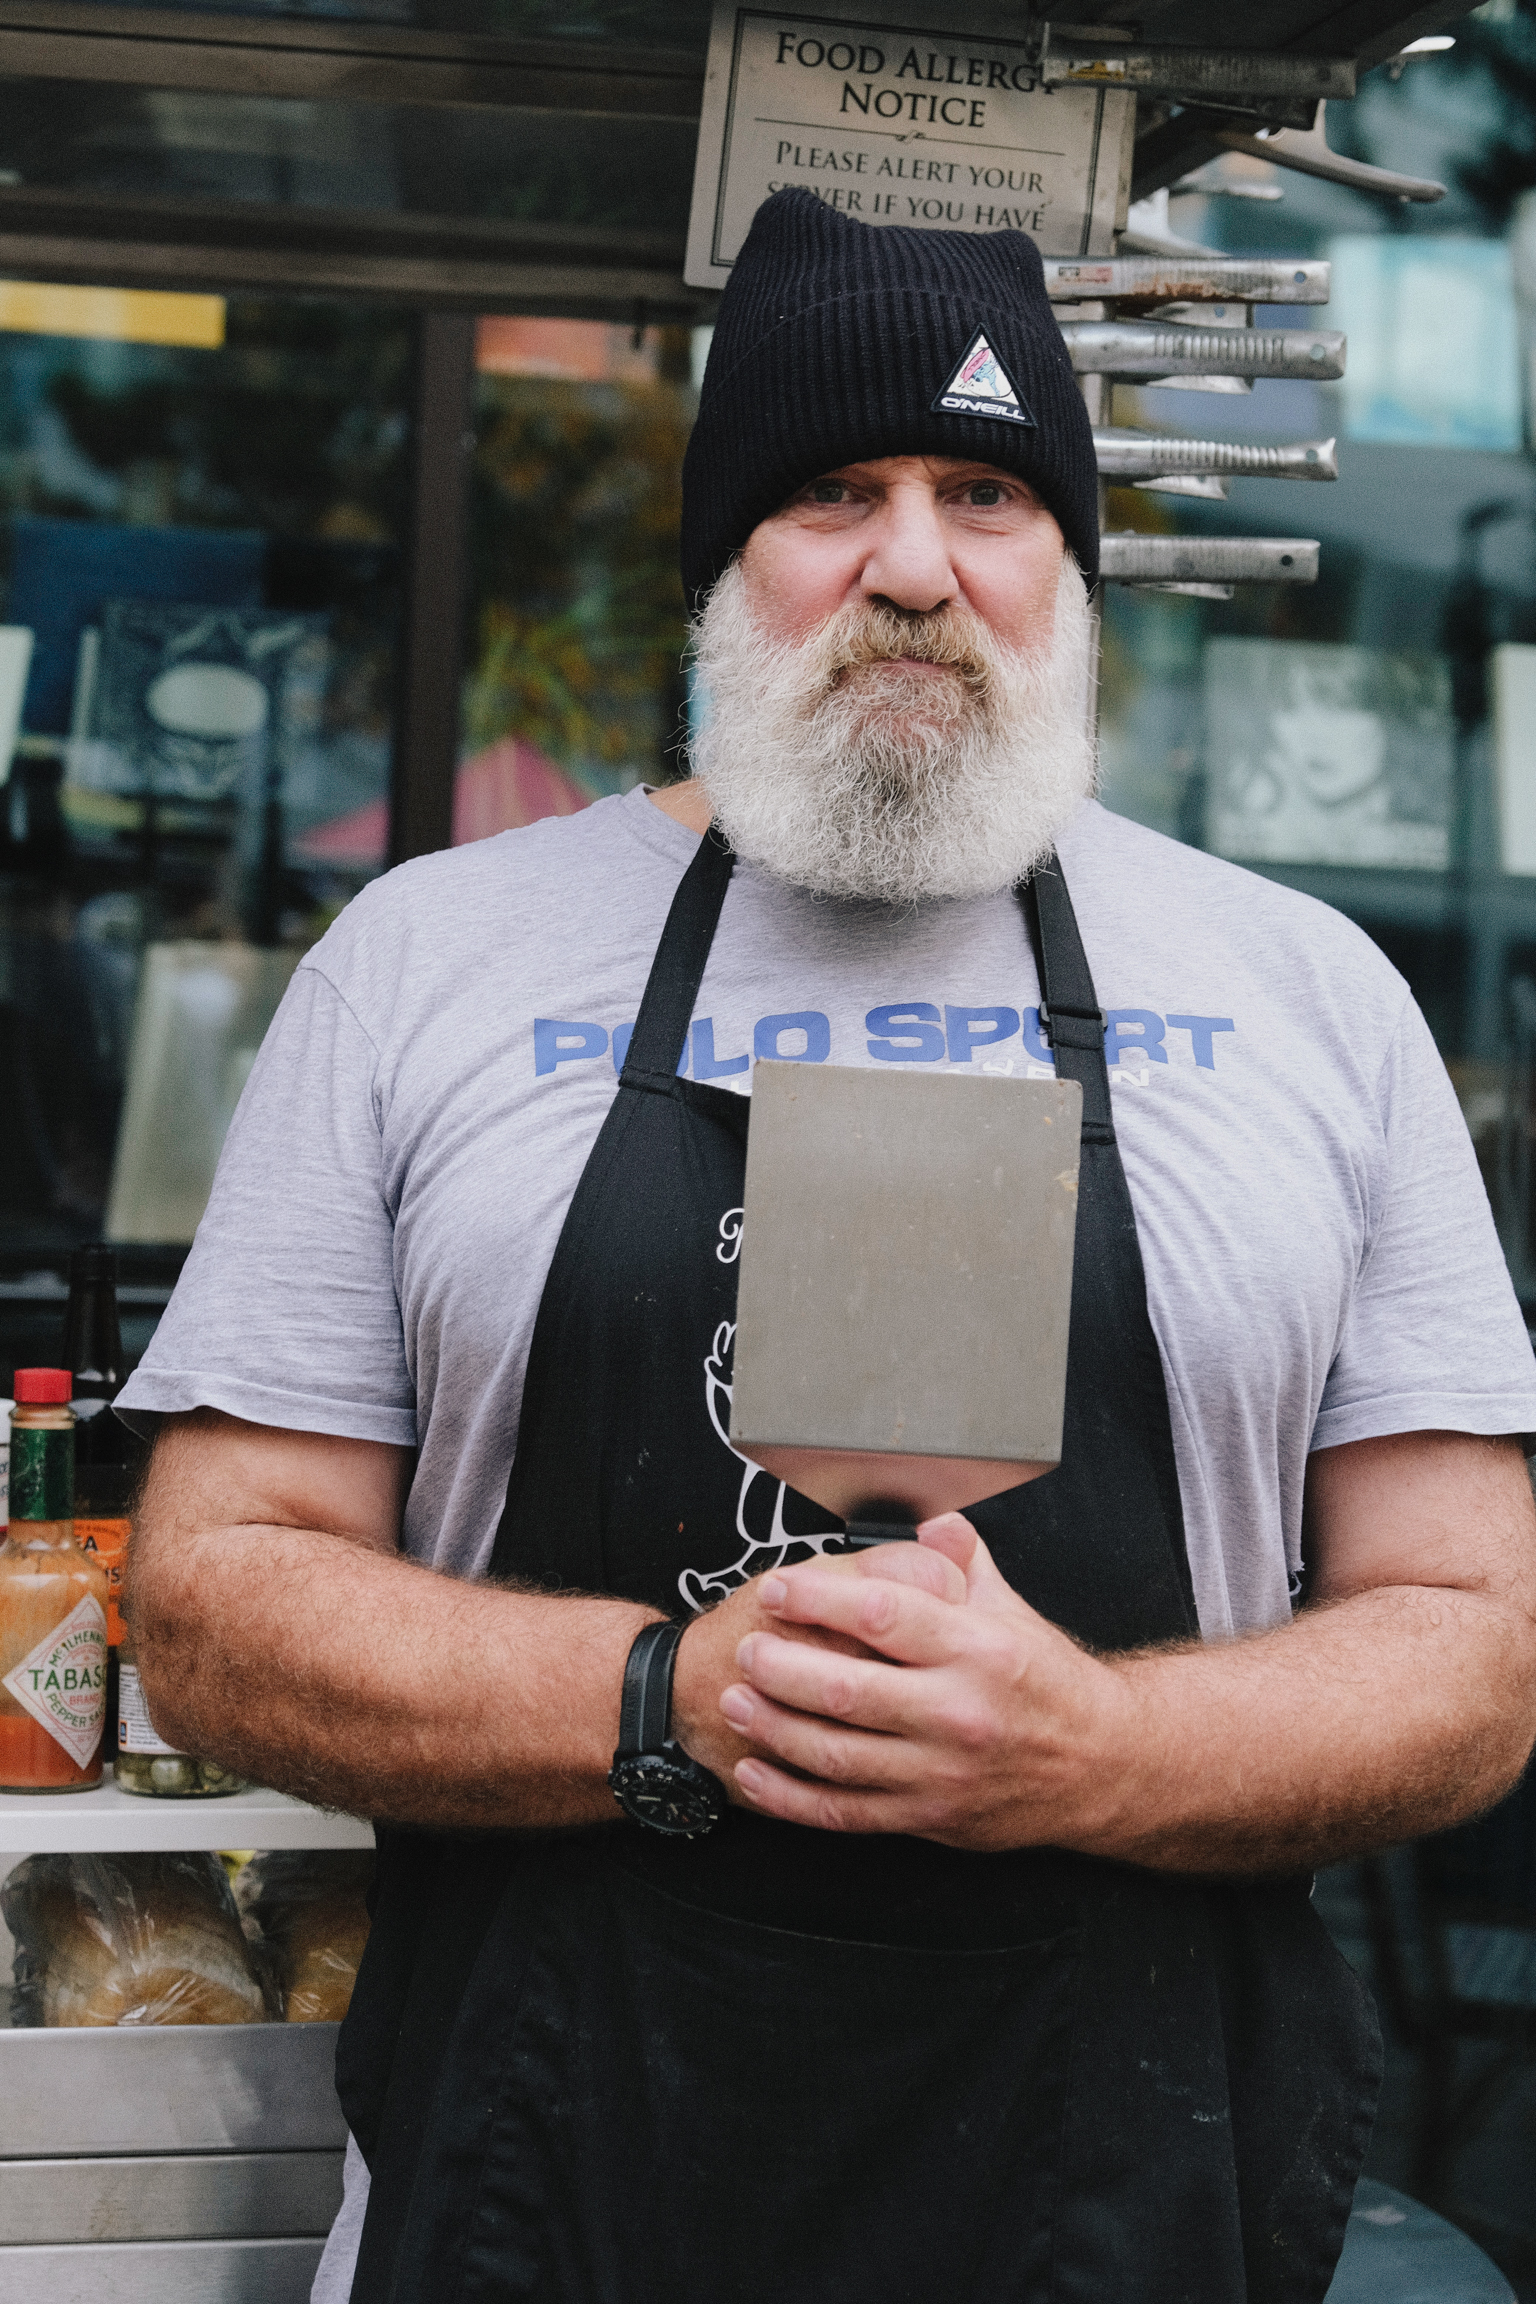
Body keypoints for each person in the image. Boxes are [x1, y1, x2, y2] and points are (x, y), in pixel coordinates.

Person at [119, 189, 1536, 2304]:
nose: (911, 562)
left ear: (1064, 563)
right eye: (830, 490)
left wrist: (1088, 1747)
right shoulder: (422, 961)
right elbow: (210, 1603)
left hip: (1119, 2200)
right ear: (719, 569)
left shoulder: (1309, 994)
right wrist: (662, 1693)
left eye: (985, 492)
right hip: (557, 2181)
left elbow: (1481, 1646)